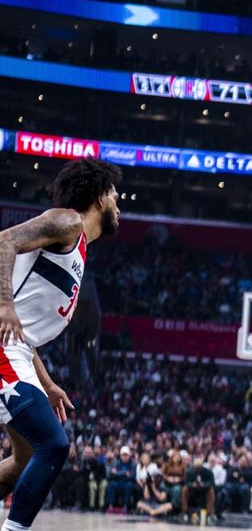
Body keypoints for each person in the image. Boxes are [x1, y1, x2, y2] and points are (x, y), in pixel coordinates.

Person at [0, 157, 121, 531]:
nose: (120, 205)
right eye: (116, 195)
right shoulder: (67, 221)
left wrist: (48, 384)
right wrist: (3, 302)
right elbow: (4, 240)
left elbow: (24, 334)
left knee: (24, 458)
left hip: (15, 350)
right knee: (53, 445)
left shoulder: (79, 249)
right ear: (100, 198)